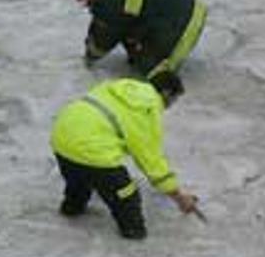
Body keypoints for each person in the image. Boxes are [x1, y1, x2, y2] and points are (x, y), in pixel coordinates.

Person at [50, 71, 198, 239]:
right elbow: (151, 161)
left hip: (61, 138)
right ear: (166, 93)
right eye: (174, 100)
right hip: (92, 151)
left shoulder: (117, 87)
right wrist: (178, 196)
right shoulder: (147, 109)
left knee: (78, 176)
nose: (171, 105)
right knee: (127, 197)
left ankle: (72, 206)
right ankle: (133, 231)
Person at [65, 0, 208, 80]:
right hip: (175, 3)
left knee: (150, 69)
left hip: (183, 19)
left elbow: (105, 36)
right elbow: (106, 19)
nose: (80, 1)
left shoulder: (112, 2)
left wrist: (90, 57)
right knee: (129, 35)